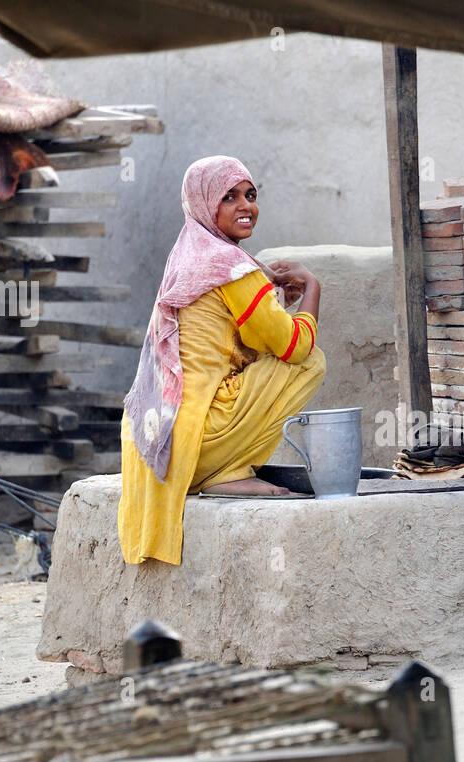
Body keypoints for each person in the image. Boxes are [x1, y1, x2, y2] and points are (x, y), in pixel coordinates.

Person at [118, 155, 325, 565]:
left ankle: (220, 469)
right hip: (195, 445)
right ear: (202, 203)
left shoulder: (188, 257)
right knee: (310, 362)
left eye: (250, 195)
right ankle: (230, 472)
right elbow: (294, 346)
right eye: (228, 197)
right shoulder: (231, 269)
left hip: (151, 447)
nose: (245, 206)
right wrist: (315, 286)